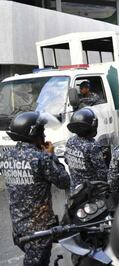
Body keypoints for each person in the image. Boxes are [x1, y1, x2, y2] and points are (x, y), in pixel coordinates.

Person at [0, 112, 70, 266]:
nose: (44, 134)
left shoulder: (6, 156)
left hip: (18, 227)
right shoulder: (41, 158)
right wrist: (51, 156)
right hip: (39, 230)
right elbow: (64, 181)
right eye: (41, 131)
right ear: (34, 133)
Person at [65, 108, 108, 192]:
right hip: (91, 191)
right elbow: (102, 173)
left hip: (75, 190)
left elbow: (67, 160)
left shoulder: (70, 141)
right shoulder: (92, 145)